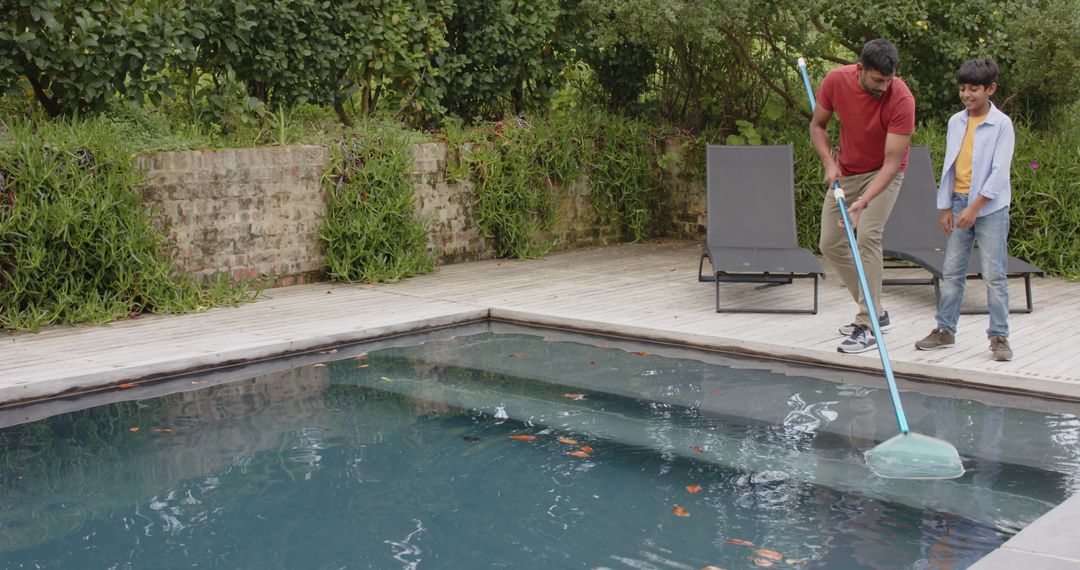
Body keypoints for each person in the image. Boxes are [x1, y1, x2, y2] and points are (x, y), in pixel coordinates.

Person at [810, 38, 916, 354]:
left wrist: (862, 202)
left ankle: (868, 324)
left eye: (889, 80)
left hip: (883, 175)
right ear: (860, 69)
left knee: (868, 236)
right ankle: (876, 309)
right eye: (877, 80)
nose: (883, 87)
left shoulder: (901, 99)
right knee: (829, 243)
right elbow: (817, 126)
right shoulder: (835, 80)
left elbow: (892, 162)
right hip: (846, 171)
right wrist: (829, 163)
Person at [915, 57, 1014, 361]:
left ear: (991, 89)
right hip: (958, 202)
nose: (967, 95)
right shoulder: (955, 122)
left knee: (994, 273)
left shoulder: (1001, 125)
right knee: (952, 271)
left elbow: (999, 173)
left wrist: (975, 207)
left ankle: (999, 337)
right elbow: (950, 165)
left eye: (974, 89)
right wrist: (945, 206)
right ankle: (945, 330)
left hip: (990, 208)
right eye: (962, 89)